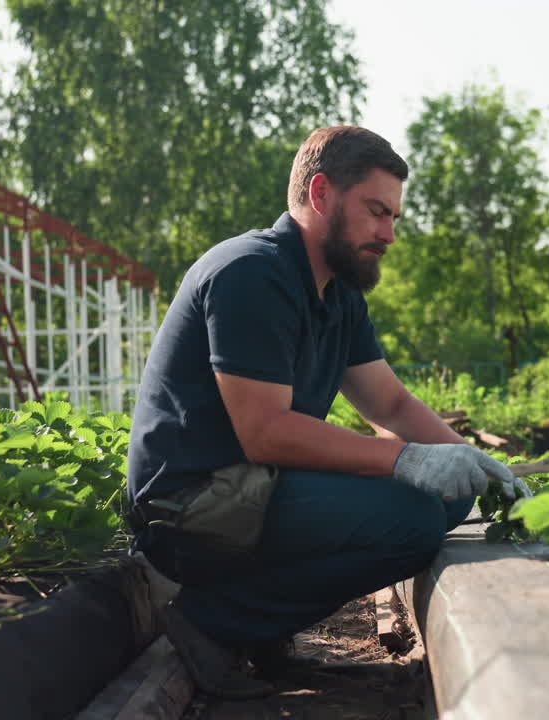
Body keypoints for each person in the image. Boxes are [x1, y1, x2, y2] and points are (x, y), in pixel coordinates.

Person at [126, 125, 527, 699]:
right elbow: (265, 432)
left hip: (252, 492)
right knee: (410, 522)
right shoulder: (251, 273)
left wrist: (479, 465)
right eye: (376, 211)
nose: (388, 233)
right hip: (190, 507)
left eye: (393, 217)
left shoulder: (338, 294)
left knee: (451, 491)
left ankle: (261, 633)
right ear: (320, 195)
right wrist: (403, 459)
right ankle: (210, 625)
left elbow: (390, 403)